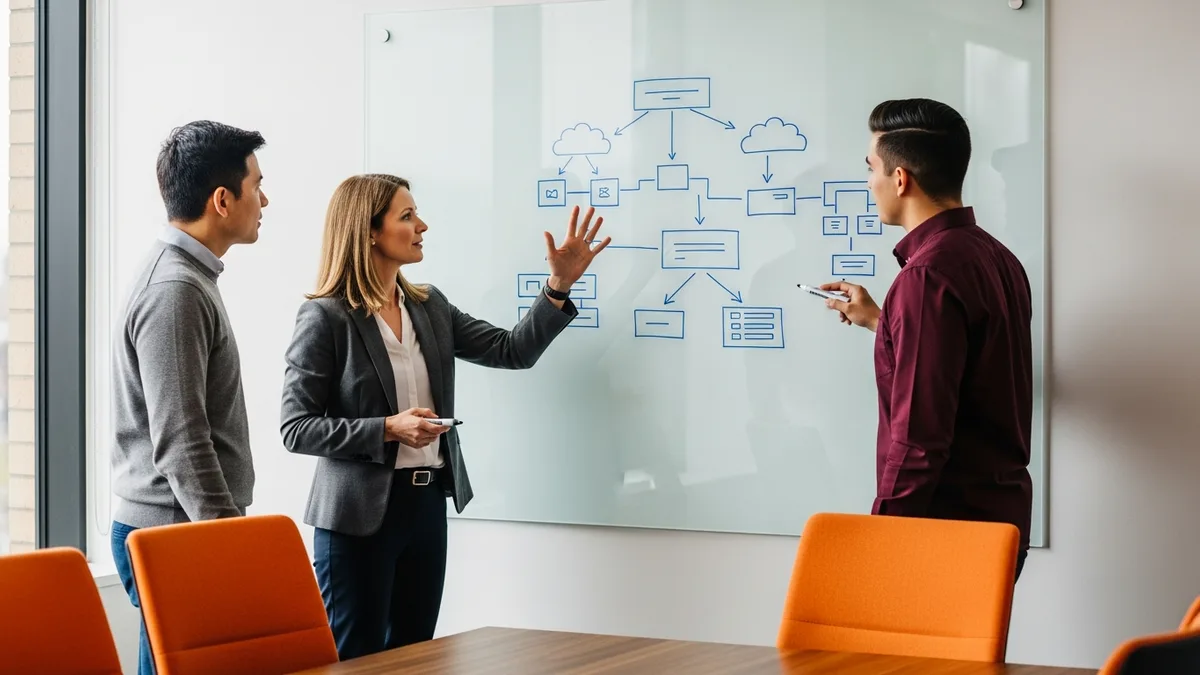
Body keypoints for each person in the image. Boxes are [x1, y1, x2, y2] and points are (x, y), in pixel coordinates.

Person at [279, 174, 610, 659]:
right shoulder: (327, 316)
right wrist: (389, 428)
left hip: (426, 507)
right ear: (369, 230)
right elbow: (295, 427)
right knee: (357, 662)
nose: (422, 226)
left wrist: (558, 286)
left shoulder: (429, 306)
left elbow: (511, 349)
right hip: (357, 519)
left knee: (416, 657)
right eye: (407, 216)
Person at [820, 98, 1034, 581]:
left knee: (909, 661)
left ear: (900, 179)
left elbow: (920, 439)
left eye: (871, 168)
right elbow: (966, 361)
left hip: (940, 529)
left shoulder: (927, 277)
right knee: (969, 659)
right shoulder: (997, 259)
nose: (869, 183)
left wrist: (884, 535)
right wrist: (883, 321)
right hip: (996, 520)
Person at [109, 120, 269, 674]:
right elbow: (181, 440)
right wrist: (230, 539)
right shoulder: (175, 289)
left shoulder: (188, 279)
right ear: (223, 200)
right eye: (257, 185)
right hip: (175, 533)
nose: (264, 200)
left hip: (181, 529)